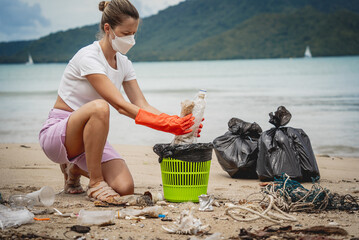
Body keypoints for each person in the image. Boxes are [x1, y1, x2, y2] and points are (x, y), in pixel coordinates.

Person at [38, 0, 203, 204]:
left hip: (90, 141)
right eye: (126, 33)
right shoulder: (88, 57)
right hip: (59, 136)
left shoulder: (124, 63)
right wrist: (167, 126)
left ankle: (74, 170)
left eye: (133, 33)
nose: (131, 39)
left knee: (125, 188)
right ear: (108, 29)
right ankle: (96, 182)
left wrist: (177, 123)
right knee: (100, 107)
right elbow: (120, 105)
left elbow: (142, 104)